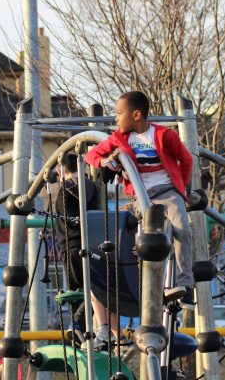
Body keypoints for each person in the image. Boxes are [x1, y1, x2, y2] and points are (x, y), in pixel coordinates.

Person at [84, 91, 195, 308]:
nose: (115, 118)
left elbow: (186, 160)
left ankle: (186, 285)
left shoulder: (163, 135)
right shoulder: (119, 138)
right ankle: (152, 289)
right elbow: (91, 155)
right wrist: (105, 162)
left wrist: (181, 187)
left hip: (167, 191)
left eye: (118, 113)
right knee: (144, 244)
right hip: (142, 196)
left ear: (136, 114)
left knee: (182, 230)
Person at [55, 153, 120, 348]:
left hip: (73, 245)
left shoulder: (68, 187)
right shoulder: (91, 187)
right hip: (89, 243)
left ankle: (78, 325)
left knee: (84, 290)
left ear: (60, 170)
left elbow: (73, 219)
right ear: (82, 167)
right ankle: (85, 330)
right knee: (90, 288)